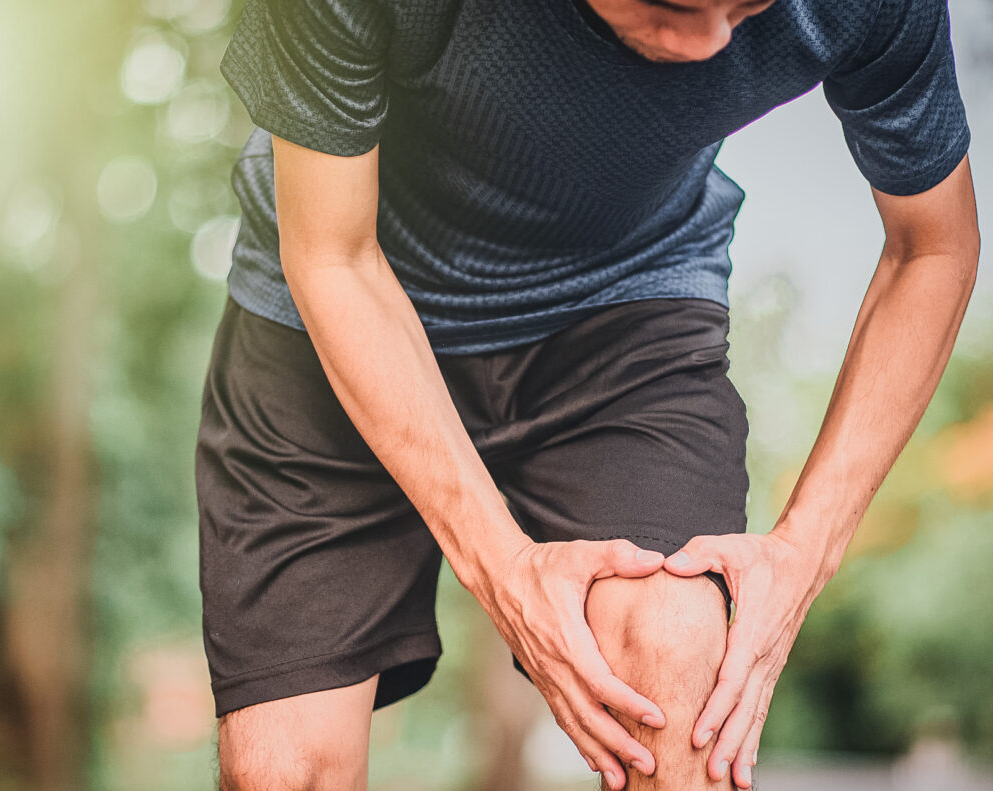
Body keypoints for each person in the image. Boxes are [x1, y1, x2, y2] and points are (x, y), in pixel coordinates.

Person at [194, 0, 979, 788]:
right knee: (284, 769)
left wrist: (804, 552)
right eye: (671, 3)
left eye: (748, 6)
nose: (711, 46)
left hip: (623, 311)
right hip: (335, 304)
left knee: (676, 665)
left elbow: (934, 245)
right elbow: (334, 257)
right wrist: (503, 567)